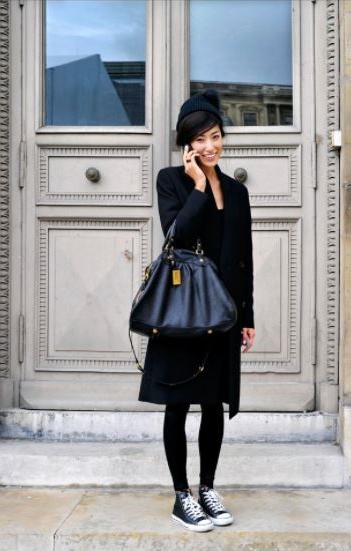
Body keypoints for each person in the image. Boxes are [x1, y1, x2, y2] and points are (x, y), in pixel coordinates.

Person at [138, 89, 256, 532]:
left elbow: (243, 256)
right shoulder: (172, 180)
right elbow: (177, 234)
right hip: (183, 313)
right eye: (201, 138)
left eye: (216, 136)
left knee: (213, 405)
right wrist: (201, 185)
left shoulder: (239, 192)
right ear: (186, 143)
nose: (210, 146)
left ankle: (208, 488)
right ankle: (181, 495)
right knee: (178, 405)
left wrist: (247, 317)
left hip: (222, 313)